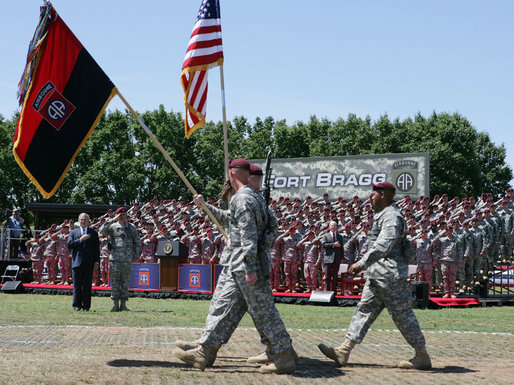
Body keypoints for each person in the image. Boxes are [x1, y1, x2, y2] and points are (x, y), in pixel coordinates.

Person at [173, 158, 296, 374]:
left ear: (231, 174)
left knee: (264, 312)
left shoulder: (243, 199)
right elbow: (231, 220)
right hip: (243, 264)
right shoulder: (249, 197)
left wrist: (250, 267)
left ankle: (284, 355)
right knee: (226, 307)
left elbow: (248, 236)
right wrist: (205, 206)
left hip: (247, 265)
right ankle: (206, 351)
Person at [318, 182, 431, 370]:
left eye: (374, 193)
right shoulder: (383, 215)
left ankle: (422, 355)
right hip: (378, 275)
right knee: (363, 310)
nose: (370, 197)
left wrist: (361, 264)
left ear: (384, 195)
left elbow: (383, 245)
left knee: (403, 316)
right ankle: (344, 351)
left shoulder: (392, 216)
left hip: (389, 276)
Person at [99, 206, 140, 312]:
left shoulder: (131, 227)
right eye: (120, 214)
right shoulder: (112, 227)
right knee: (115, 282)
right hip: (115, 260)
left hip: (127, 259)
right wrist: (113, 219)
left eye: (124, 214)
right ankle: (115, 304)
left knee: (126, 282)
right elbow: (101, 230)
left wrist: (136, 256)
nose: (122, 216)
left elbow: (137, 242)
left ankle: (123, 304)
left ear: (127, 215)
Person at [67, 213, 100, 311]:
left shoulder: (93, 233)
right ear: (78, 221)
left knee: (87, 286)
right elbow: (69, 245)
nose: (83, 221)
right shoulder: (73, 233)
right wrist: (80, 240)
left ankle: (86, 306)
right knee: (77, 286)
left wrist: (97, 262)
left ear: (88, 221)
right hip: (77, 263)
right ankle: (76, 305)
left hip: (89, 263)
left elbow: (96, 249)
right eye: (81, 219)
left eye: (85, 219)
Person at [322, 220, 344, 292]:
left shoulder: (339, 236)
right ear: (329, 227)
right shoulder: (325, 236)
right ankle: (327, 291)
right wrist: (333, 244)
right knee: (327, 276)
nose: (333, 227)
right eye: (332, 225)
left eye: (335, 226)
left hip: (337, 259)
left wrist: (342, 258)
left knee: (335, 277)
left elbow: (341, 248)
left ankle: (334, 292)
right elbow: (324, 245)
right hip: (328, 258)